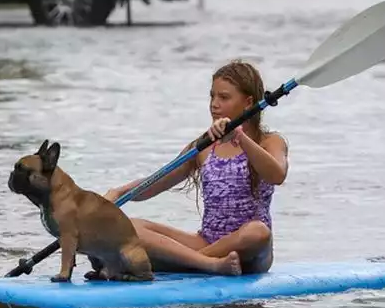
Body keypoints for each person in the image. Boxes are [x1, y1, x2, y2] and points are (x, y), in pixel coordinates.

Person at [105, 60, 289, 276]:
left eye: (224, 97)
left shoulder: (270, 141)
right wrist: (117, 193)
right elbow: (156, 182)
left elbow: (277, 174)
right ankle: (207, 263)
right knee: (131, 226)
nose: (214, 104)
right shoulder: (203, 146)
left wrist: (239, 137)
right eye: (212, 96)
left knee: (258, 232)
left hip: (251, 250)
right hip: (206, 242)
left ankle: (184, 262)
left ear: (248, 103)